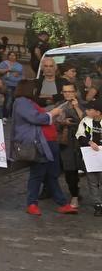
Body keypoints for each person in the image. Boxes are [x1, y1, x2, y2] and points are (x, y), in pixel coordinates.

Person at [11, 80, 74, 215]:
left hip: (48, 141)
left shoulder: (28, 102)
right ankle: (33, 203)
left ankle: (61, 203)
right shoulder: (22, 102)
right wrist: (53, 113)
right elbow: (36, 118)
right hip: (40, 143)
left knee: (51, 174)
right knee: (38, 173)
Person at [55, 82, 85, 211]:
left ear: (75, 92)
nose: (67, 94)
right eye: (65, 91)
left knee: (90, 170)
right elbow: (52, 122)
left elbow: (86, 120)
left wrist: (77, 107)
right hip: (66, 140)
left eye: (70, 91)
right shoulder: (59, 105)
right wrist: (62, 122)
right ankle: (74, 195)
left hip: (82, 140)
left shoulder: (82, 104)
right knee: (69, 169)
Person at [76, 101, 102, 216]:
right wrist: (89, 142)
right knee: (92, 182)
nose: (86, 111)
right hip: (90, 156)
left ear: (97, 112)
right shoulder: (85, 121)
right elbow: (80, 135)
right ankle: (98, 205)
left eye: (89, 109)